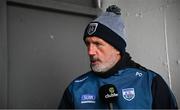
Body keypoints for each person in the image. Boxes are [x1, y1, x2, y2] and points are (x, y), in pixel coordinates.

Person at [58, 5, 178, 109]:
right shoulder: (76, 88)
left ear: (117, 48)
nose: (90, 51)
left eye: (98, 44)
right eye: (87, 43)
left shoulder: (150, 82)